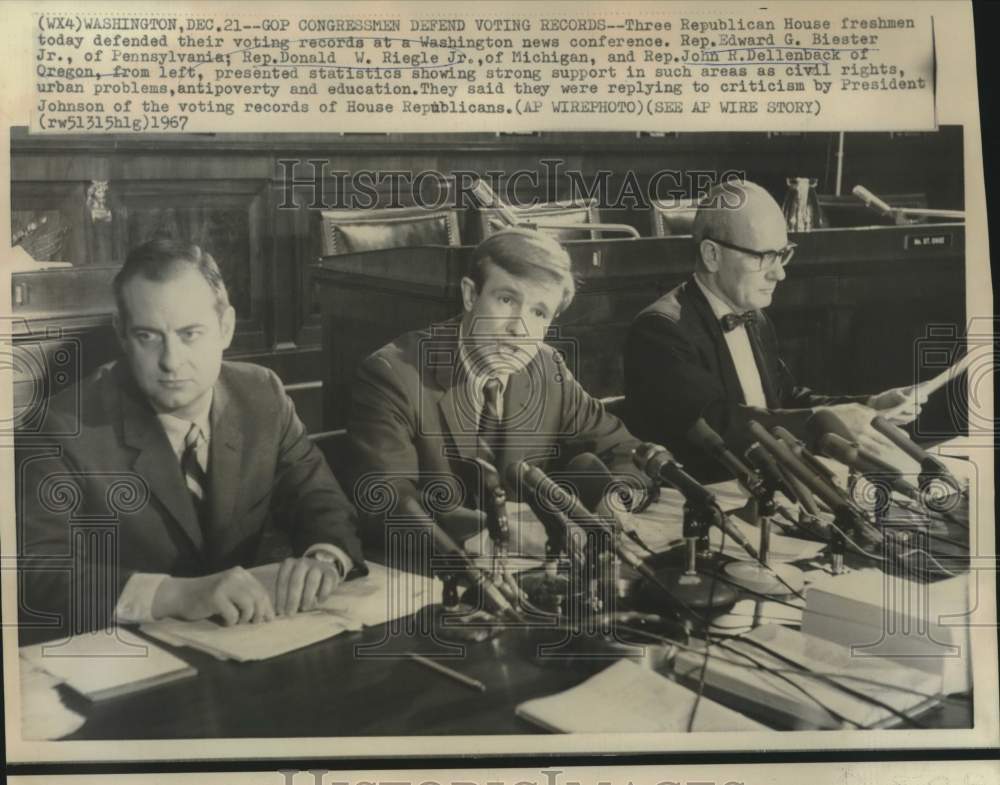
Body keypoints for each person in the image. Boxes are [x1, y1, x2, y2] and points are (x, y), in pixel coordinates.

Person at [19, 238, 365, 636]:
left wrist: (324, 559)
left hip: (249, 642)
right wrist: (176, 595)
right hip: (126, 661)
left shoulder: (261, 394)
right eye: (148, 336)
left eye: (190, 334)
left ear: (226, 328)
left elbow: (320, 499)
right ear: (122, 335)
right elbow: (37, 572)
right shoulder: (63, 427)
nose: (170, 361)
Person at [348, 227, 651, 548]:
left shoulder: (548, 369)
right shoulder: (393, 374)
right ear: (470, 295)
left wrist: (615, 499)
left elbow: (628, 452)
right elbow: (386, 502)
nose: (519, 329)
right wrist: (501, 533)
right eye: (507, 299)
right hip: (437, 573)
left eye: (538, 312)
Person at [624, 179, 926, 481]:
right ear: (712, 255)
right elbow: (717, 423)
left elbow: (783, 400)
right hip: (702, 495)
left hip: (766, 485)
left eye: (782, 254)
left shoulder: (754, 315)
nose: (779, 272)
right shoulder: (660, 330)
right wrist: (819, 421)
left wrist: (868, 406)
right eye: (763, 257)